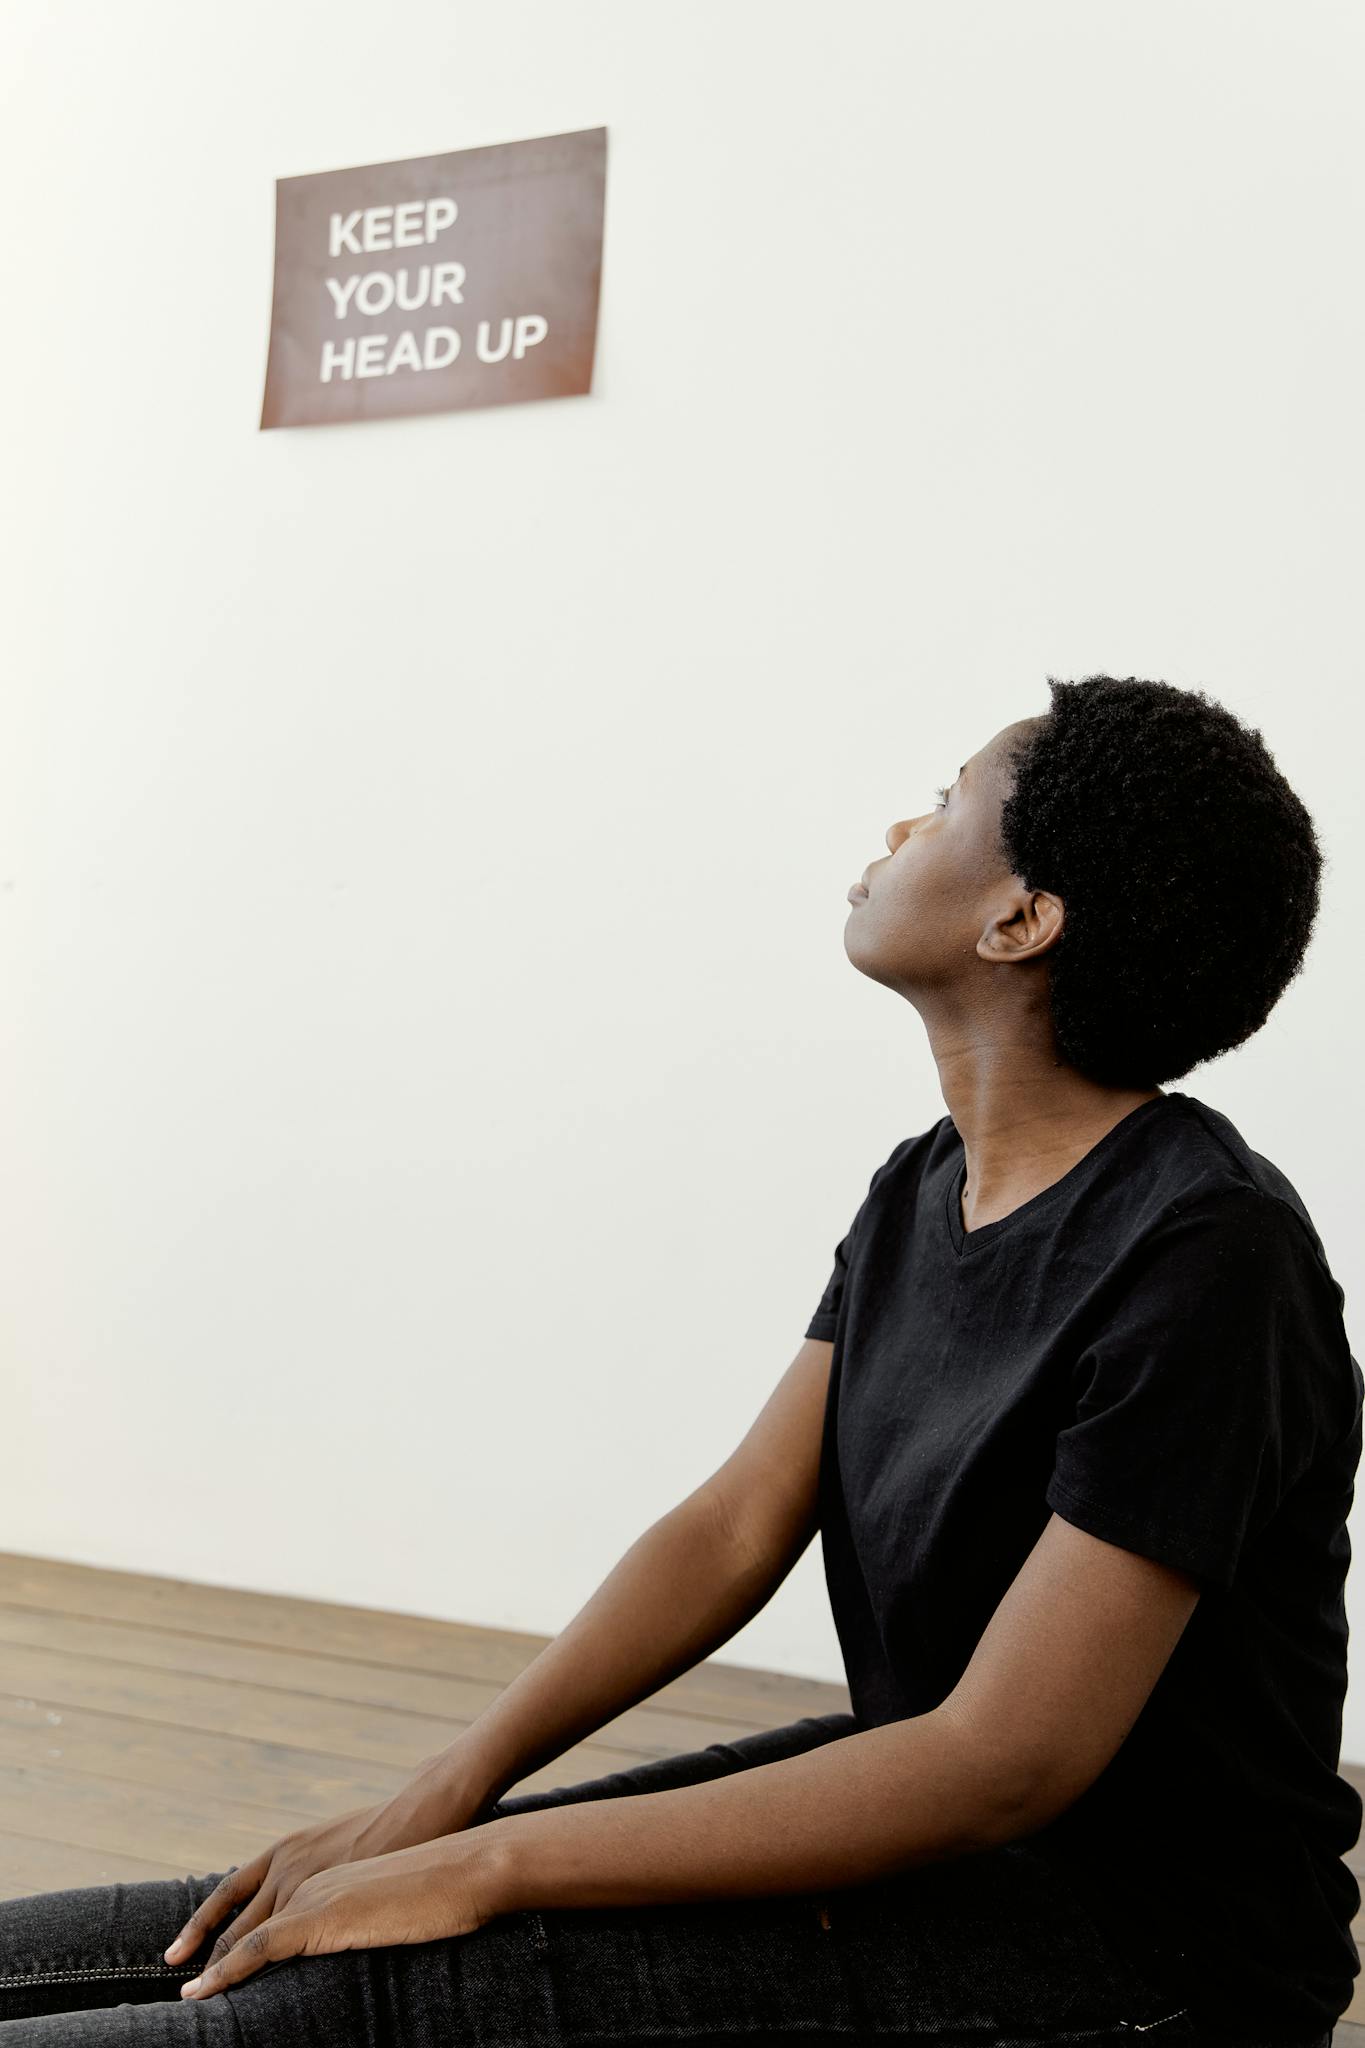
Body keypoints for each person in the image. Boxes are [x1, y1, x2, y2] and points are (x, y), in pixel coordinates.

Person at [0, 672, 1356, 2047]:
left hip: (1141, 1959)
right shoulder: (922, 1188)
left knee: (305, 2005)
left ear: (1021, 918)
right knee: (199, 1927)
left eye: (947, 802)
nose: (900, 825)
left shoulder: (1209, 1265)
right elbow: (729, 1526)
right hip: (937, 1833)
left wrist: (489, 1861)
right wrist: (450, 1788)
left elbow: (999, 1763)